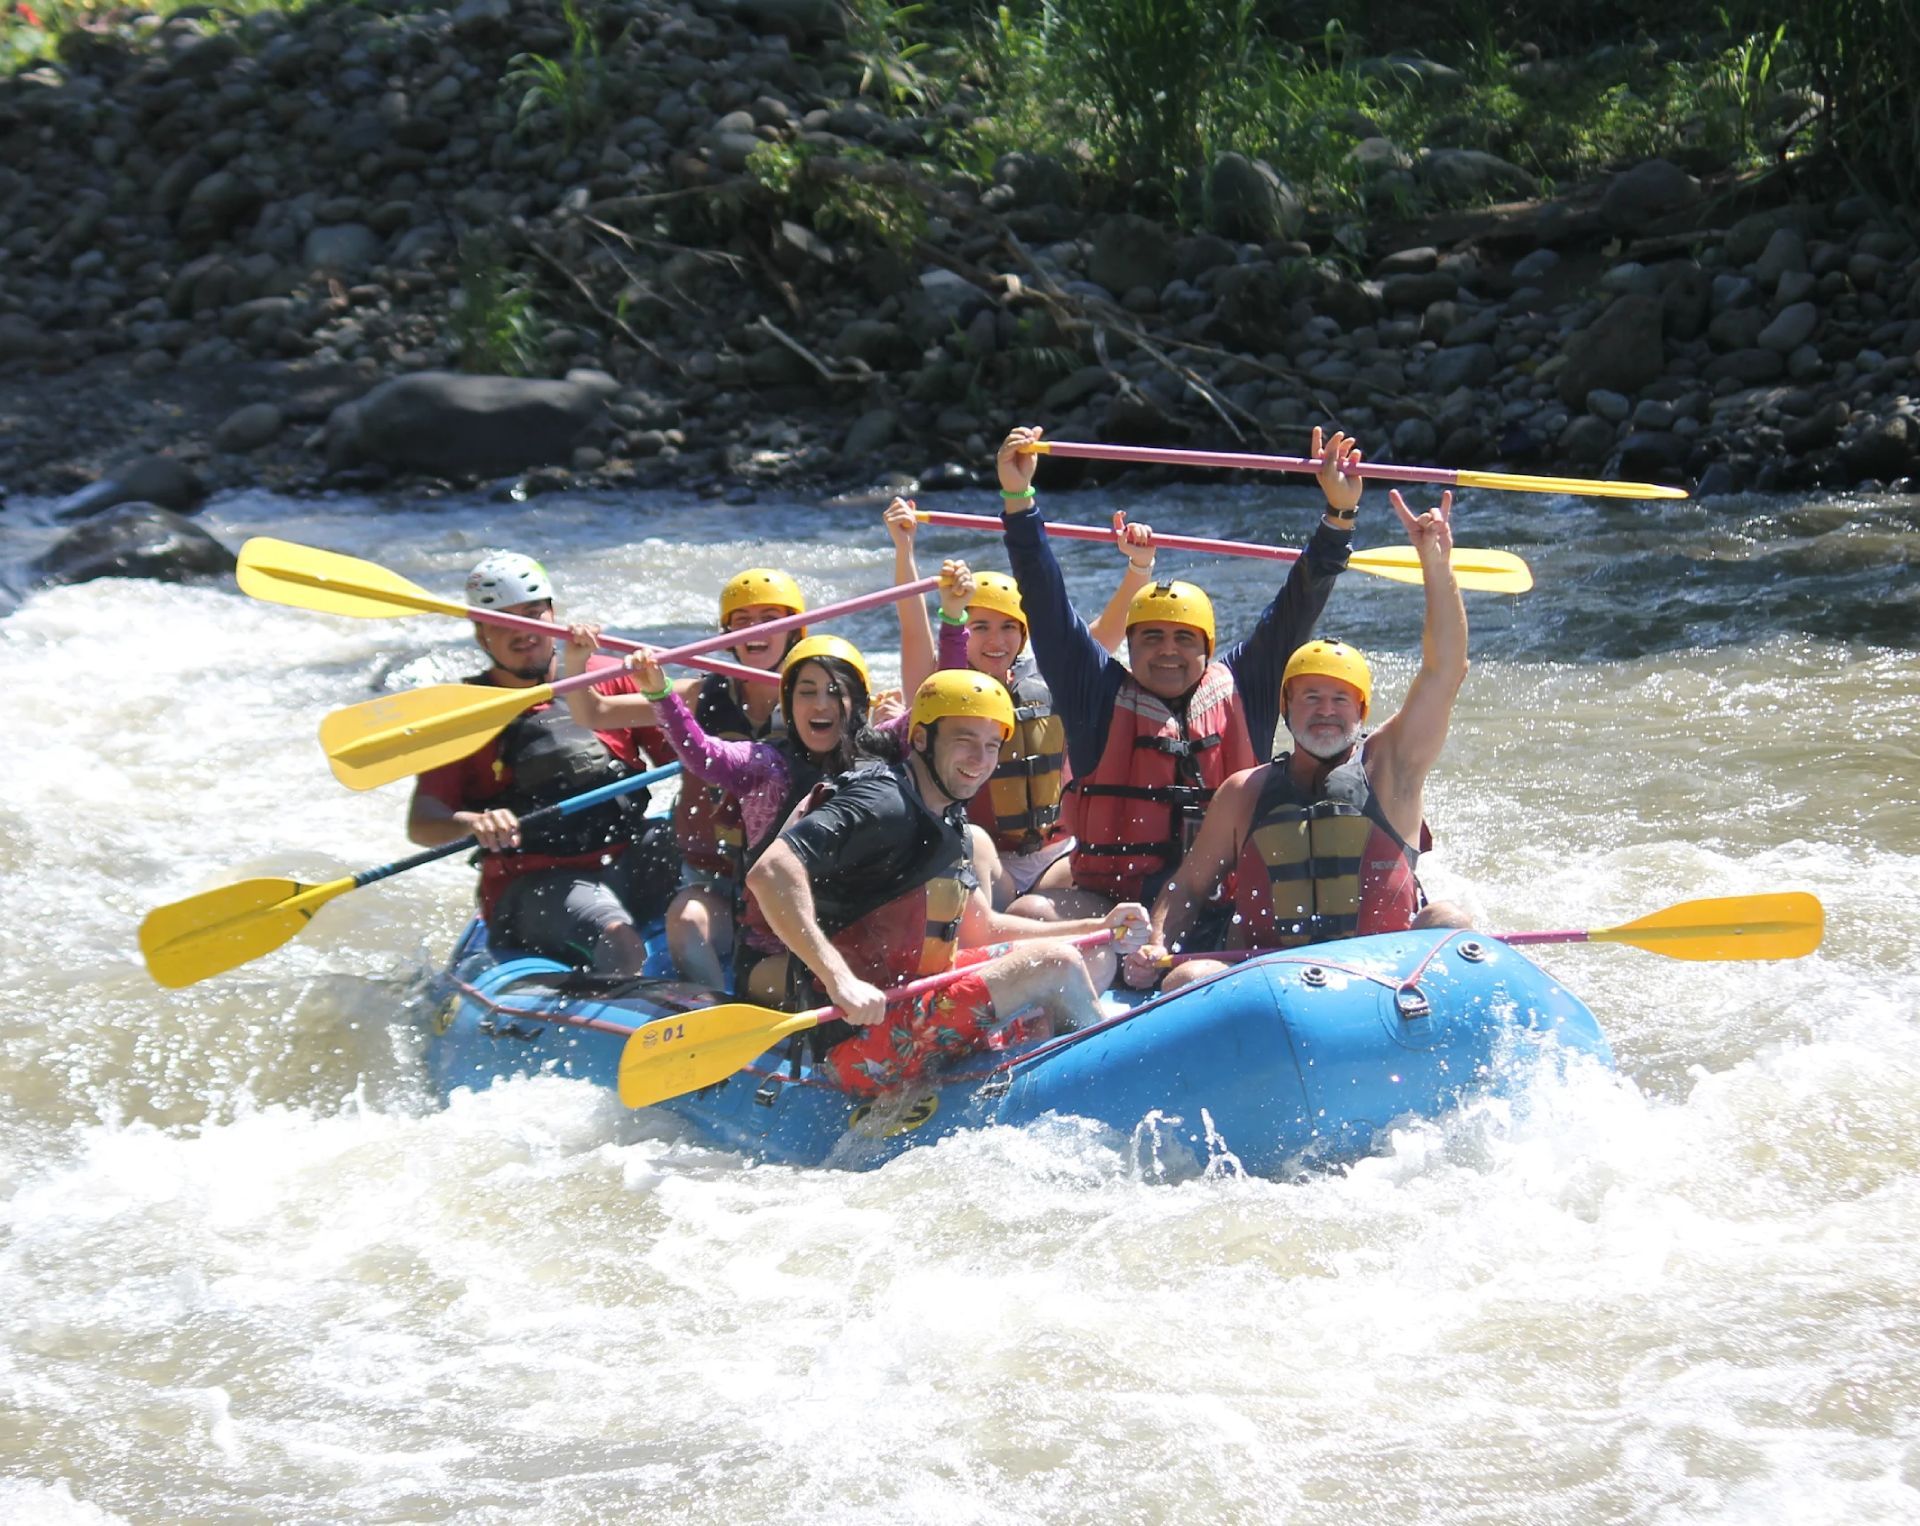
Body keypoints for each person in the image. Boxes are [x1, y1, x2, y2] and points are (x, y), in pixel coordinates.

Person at [995, 422, 1362, 923]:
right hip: (1113, 907)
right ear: (1130, 645)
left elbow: (1299, 603)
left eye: (1183, 639)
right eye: (1151, 637)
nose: (1167, 651)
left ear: (1208, 649)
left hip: (1226, 903)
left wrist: (1338, 516)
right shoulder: (1095, 694)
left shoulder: (1246, 685)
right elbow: (1044, 599)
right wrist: (1019, 498)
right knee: (1034, 911)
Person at [1125, 489, 1472, 992]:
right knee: (1187, 978)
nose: (1326, 711)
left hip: (1383, 975)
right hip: (1274, 983)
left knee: (1448, 920)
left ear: (1362, 711)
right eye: (1310, 697)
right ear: (1286, 708)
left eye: (1340, 699)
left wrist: (1436, 564)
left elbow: (1445, 672)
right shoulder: (1245, 792)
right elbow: (1190, 886)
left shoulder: (1391, 766)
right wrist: (1157, 943)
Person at [745, 671, 1151, 1096]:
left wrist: (1098, 926)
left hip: (921, 997)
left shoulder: (949, 813)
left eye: (992, 745)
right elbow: (770, 871)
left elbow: (983, 930)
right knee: (1057, 964)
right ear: (921, 738)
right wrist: (839, 979)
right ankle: (1109, 1092)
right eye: (965, 740)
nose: (981, 759)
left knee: (1089, 951)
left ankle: (1042, 1072)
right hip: (860, 1036)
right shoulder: (882, 802)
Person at [406, 552, 679, 973]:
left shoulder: (609, 676)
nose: (523, 634)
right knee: (618, 941)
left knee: (725, 861)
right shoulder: (462, 717)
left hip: (628, 855)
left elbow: (691, 758)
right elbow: (422, 822)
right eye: (504, 622)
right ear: (481, 633)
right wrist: (473, 823)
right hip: (536, 884)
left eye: (533, 617)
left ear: (553, 616)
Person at [885, 495, 1162, 907]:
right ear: (963, 627)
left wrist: (1140, 567)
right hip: (984, 857)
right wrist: (904, 548)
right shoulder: (938, 688)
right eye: (980, 627)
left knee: (1060, 904)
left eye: (1007, 628)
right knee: (1016, 907)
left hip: (1056, 855)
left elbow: (1109, 631)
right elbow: (912, 625)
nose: (995, 642)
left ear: (1024, 633)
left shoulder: (1052, 678)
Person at [560, 567, 800, 987]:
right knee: (686, 923)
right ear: (727, 633)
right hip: (719, 879)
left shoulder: (817, 701)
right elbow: (592, 712)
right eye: (742, 621)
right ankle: (717, 1022)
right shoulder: (696, 696)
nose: (755, 630)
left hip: (795, 879)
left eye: (769, 619)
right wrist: (577, 660)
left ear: (794, 631)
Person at [608, 631, 879, 991]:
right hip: (775, 949)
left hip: (849, 938)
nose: (820, 705)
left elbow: (949, 722)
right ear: (790, 703)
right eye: (807, 692)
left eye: (835, 692)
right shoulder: (763, 765)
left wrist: (953, 621)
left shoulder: (881, 760)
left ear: (858, 704)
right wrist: (660, 693)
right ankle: (717, 1013)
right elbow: (701, 752)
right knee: (816, 981)